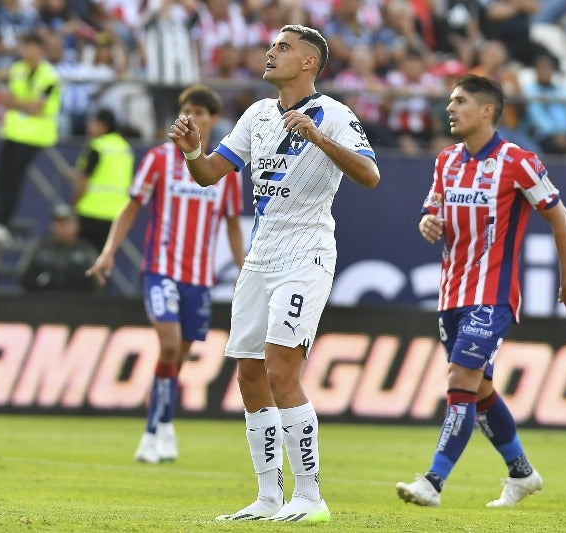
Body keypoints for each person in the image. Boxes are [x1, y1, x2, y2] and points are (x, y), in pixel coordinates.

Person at [168, 24, 380, 523]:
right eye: (272, 45)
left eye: (283, 47)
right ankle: (268, 496)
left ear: (309, 62)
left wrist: (319, 137)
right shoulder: (258, 114)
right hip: (261, 256)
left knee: (282, 368)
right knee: (248, 372)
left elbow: (370, 176)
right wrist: (194, 149)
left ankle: (310, 498)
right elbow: (209, 175)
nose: (271, 52)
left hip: (306, 251)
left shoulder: (336, 115)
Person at [395, 74, 566, 509]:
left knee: (460, 379)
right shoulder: (445, 161)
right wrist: (427, 222)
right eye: (449, 101)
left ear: (486, 111)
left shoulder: (517, 161)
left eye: (459, 101)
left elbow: (561, 218)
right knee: (478, 391)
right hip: (451, 295)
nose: (450, 108)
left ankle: (433, 481)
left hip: (493, 295)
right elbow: (432, 210)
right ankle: (521, 473)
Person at [86, 84, 245, 464]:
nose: (195, 117)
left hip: (199, 277)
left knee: (179, 356)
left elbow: (233, 225)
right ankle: (151, 432)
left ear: (213, 119)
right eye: (189, 110)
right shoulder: (158, 160)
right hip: (161, 270)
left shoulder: (225, 170)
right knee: (169, 345)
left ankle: (165, 424)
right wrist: (109, 252)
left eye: (203, 112)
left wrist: (245, 271)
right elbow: (131, 207)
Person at [0, 31, 61, 227]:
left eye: (31, 47)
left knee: (13, 177)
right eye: (24, 46)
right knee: (0, 175)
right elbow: (5, 99)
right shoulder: (17, 69)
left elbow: (36, 108)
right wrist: (23, 104)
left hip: (37, 135)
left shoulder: (50, 76)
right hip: (13, 131)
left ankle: (3, 221)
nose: (27, 51)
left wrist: (17, 104)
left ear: (40, 50)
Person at [70, 108, 134, 251]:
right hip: (115, 214)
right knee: (103, 260)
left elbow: (84, 182)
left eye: (92, 123)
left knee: (83, 260)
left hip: (90, 211)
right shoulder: (125, 148)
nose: (89, 127)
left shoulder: (97, 146)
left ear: (103, 125)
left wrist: (73, 204)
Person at [18, 203, 100, 292]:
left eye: (65, 223)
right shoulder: (38, 248)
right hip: (43, 302)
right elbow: (22, 279)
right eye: (57, 223)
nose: (61, 227)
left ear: (77, 226)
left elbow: (97, 283)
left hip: (77, 302)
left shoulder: (85, 251)